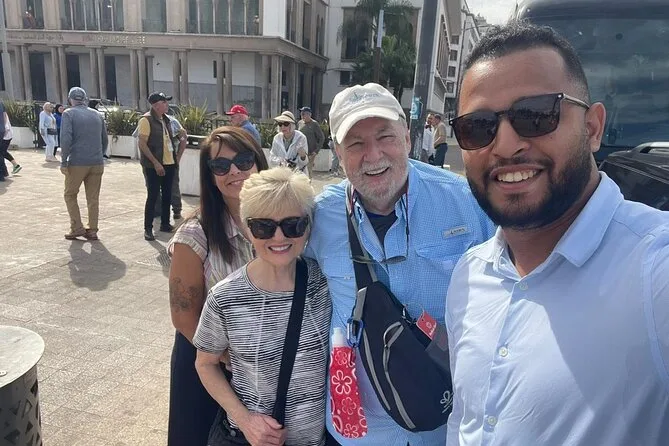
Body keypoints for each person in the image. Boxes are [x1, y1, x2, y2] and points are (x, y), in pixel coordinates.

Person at [446, 22, 669, 446]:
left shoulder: (653, 269)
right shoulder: (469, 275)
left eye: (536, 115)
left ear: (592, 128)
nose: (505, 145)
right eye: (478, 126)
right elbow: (466, 419)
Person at [305, 82, 495, 445]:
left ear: (407, 138)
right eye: (356, 144)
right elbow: (275, 267)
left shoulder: (467, 204)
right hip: (358, 433)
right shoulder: (319, 216)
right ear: (338, 152)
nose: (373, 155)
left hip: (444, 425)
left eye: (385, 137)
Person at [194, 166, 331, 446]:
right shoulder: (225, 297)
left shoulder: (325, 283)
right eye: (264, 226)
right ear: (247, 228)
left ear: (308, 226)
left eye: (293, 224)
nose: (279, 237)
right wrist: (245, 419)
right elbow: (205, 363)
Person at [167, 126, 269, 446]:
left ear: (259, 162)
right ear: (210, 176)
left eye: (244, 160)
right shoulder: (194, 235)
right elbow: (184, 316)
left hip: (261, 365)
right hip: (208, 362)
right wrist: (227, 359)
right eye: (221, 166)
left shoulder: (281, 220)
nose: (235, 171)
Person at [60, 87, 108, 241]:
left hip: (77, 162)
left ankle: (77, 227)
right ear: (85, 99)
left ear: (70, 99)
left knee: (70, 194)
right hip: (97, 162)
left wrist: (63, 161)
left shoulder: (68, 114)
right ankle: (92, 229)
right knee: (93, 198)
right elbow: (105, 139)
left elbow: (66, 139)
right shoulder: (97, 114)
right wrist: (100, 154)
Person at [137, 92, 177, 241]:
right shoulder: (146, 120)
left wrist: (175, 160)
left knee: (167, 195)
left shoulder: (166, 119)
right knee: (153, 196)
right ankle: (148, 228)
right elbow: (142, 144)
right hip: (154, 165)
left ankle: (165, 223)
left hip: (169, 163)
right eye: (163, 102)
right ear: (155, 105)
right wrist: (155, 163)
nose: (167, 104)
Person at [153, 114, 187, 220]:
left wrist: (178, 157)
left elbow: (183, 138)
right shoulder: (147, 120)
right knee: (153, 186)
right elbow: (141, 140)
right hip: (153, 161)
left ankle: (177, 209)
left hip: (170, 161)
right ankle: (157, 210)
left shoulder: (173, 122)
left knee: (173, 185)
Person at [298, 106, 325, 179]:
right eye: (301, 113)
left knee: (308, 171)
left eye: (303, 114)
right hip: (301, 152)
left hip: (310, 152)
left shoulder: (314, 124)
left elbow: (321, 138)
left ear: (309, 115)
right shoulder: (300, 123)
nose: (302, 115)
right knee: (300, 171)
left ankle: (308, 184)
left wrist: (316, 151)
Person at [0, 107, 22, 179]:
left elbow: (6, 124)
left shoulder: (3, 114)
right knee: (3, 152)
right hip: (6, 135)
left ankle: (8, 170)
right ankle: (8, 170)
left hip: (5, 135)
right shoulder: (3, 112)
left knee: (2, 152)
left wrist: (4, 131)